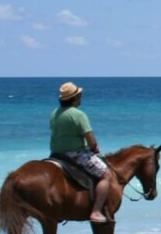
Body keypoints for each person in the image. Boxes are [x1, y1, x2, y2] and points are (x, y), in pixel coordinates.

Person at [49, 81, 118, 224]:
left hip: (55, 154)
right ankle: (96, 211)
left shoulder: (54, 113)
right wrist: (94, 147)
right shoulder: (78, 115)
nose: (81, 98)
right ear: (75, 98)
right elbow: (90, 138)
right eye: (80, 96)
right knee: (106, 174)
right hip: (75, 154)